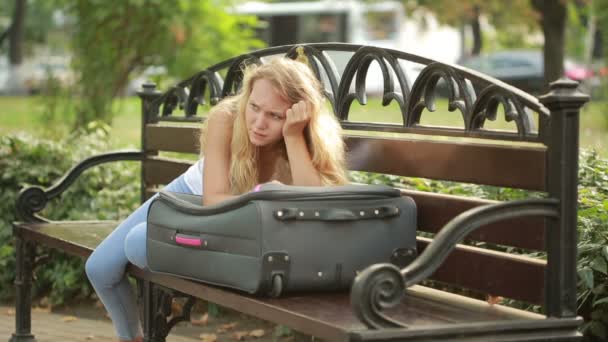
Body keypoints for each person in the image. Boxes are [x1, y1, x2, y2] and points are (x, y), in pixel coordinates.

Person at [85, 56, 349, 342]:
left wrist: (294, 136)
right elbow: (213, 200)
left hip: (239, 224)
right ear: (247, 97)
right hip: (193, 196)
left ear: (300, 116)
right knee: (99, 268)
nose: (259, 123)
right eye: (255, 108)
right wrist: (261, 195)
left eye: (276, 115)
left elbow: (312, 204)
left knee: (139, 245)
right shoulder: (227, 117)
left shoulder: (303, 137)